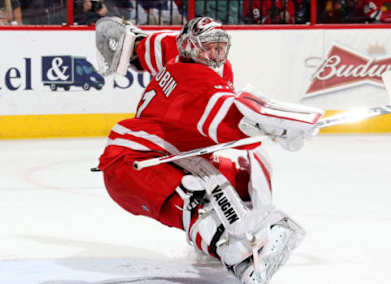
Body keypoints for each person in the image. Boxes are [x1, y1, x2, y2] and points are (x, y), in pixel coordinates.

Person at [94, 16, 319, 284]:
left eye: (219, 47)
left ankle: (217, 237)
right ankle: (236, 255)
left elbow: (144, 47)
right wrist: (278, 127)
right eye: (207, 47)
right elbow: (234, 125)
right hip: (133, 162)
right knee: (196, 197)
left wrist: (131, 44)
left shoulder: (173, 49)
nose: (214, 54)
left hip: (171, 157)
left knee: (241, 178)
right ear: (190, 46)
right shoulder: (195, 81)